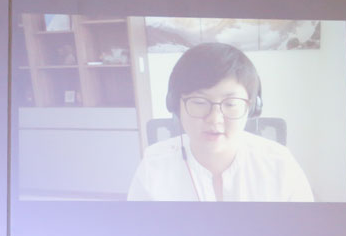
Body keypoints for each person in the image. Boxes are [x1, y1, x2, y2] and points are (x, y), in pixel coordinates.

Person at [127, 42, 314, 202]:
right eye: (199, 102)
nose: (215, 119)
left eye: (231, 103)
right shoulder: (154, 167)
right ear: (175, 105)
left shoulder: (279, 165)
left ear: (252, 107)